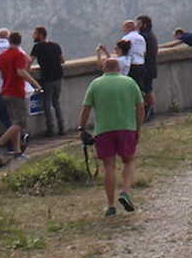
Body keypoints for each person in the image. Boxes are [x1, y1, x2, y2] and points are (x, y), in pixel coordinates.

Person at [79, 57, 145, 215]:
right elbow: (140, 106)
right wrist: (138, 128)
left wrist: (82, 128)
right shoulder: (129, 82)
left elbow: (86, 109)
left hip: (103, 130)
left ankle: (110, 206)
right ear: (119, 68)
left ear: (104, 68)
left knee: (109, 166)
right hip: (127, 128)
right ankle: (126, 192)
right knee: (128, 161)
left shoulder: (95, 84)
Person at [0, 30, 43, 160]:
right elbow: (21, 72)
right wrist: (36, 84)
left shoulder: (2, 55)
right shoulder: (18, 55)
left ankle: (17, 152)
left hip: (4, 91)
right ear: (20, 42)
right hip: (16, 92)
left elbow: (2, 74)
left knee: (14, 122)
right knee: (21, 122)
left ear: (9, 41)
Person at [30, 25, 66, 136]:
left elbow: (29, 61)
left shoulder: (37, 47)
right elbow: (62, 60)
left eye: (35, 33)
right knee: (56, 102)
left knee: (47, 103)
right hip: (58, 77)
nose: (33, 35)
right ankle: (62, 128)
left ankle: (50, 129)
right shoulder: (55, 45)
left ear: (40, 35)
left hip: (47, 78)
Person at [134, 13, 159, 122]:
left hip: (145, 66)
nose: (137, 25)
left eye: (138, 23)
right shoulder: (151, 35)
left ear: (144, 25)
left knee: (146, 89)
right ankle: (151, 110)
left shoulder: (143, 37)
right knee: (148, 88)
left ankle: (149, 111)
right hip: (151, 65)